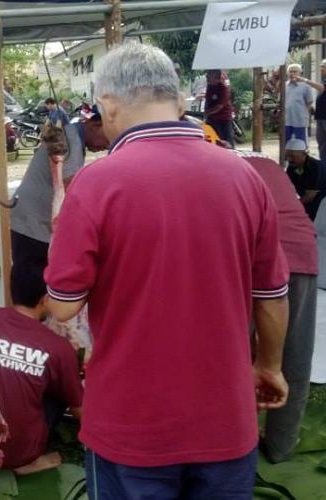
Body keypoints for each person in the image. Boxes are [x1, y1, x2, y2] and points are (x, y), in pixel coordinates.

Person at [44, 43, 289, 498]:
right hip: (224, 418)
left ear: (109, 104)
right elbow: (271, 293)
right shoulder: (244, 177)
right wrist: (269, 365)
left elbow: (62, 307)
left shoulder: (96, 184)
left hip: (131, 424)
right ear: (178, 102)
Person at [240, 151, 318, 464]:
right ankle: (281, 445)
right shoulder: (265, 162)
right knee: (294, 352)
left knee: (232, 354)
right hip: (300, 249)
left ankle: (232, 443)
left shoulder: (205, 165)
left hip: (251, 253)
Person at [0, 264, 83, 473]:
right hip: (18, 453)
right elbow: (79, 408)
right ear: (45, 299)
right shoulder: (57, 346)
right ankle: (27, 461)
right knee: (60, 385)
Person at [10, 107, 108, 278]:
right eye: (107, 139)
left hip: (33, 217)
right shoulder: (70, 140)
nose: (106, 146)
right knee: (33, 285)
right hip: (33, 222)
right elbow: (70, 187)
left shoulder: (73, 137)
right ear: (95, 124)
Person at [285, 138, 325, 221]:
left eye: (293, 156)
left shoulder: (314, 167)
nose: (289, 159)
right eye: (288, 156)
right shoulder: (292, 166)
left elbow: (310, 195)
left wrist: (292, 207)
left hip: (321, 200)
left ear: (304, 154)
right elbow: (287, 188)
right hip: (310, 200)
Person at [285, 63, 315, 144]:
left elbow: (309, 102)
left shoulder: (305, 86)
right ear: (287, 73)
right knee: (286, 144)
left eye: (295, 72)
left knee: (301, 145)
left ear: (300, 74)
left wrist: (302, 113)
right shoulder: (284, 86)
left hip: (300, 122)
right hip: (286, 121)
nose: (292, 74)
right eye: (290, 72)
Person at [204, 69, 234, 147]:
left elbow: (218, 107)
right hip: (212, 119)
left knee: (227, 143)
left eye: (209, 75)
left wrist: (207, 112)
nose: (206, 76)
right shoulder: (209, 87)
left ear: (216, 77)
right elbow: (208, 100)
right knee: (211, 140)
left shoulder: (223, 89)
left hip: (223, 120)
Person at [313, 59, 326, 160]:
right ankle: (323, 164)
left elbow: (322, 88)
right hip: (320, 116)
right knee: (321, 142)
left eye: (323, 66)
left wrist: (304, 80)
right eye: (321, 66)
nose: (321, 68)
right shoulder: (324, 79)